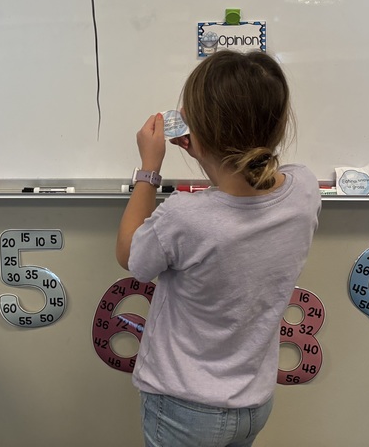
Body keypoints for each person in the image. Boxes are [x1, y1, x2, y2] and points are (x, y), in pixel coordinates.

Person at [116, 50, 320, 447]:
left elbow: (130, 255)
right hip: (253, 403)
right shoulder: (304, 191)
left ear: (197, 132)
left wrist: (149, 169)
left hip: (184, 407)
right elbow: (255, 177)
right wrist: (208, 150)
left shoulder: (185, 217)